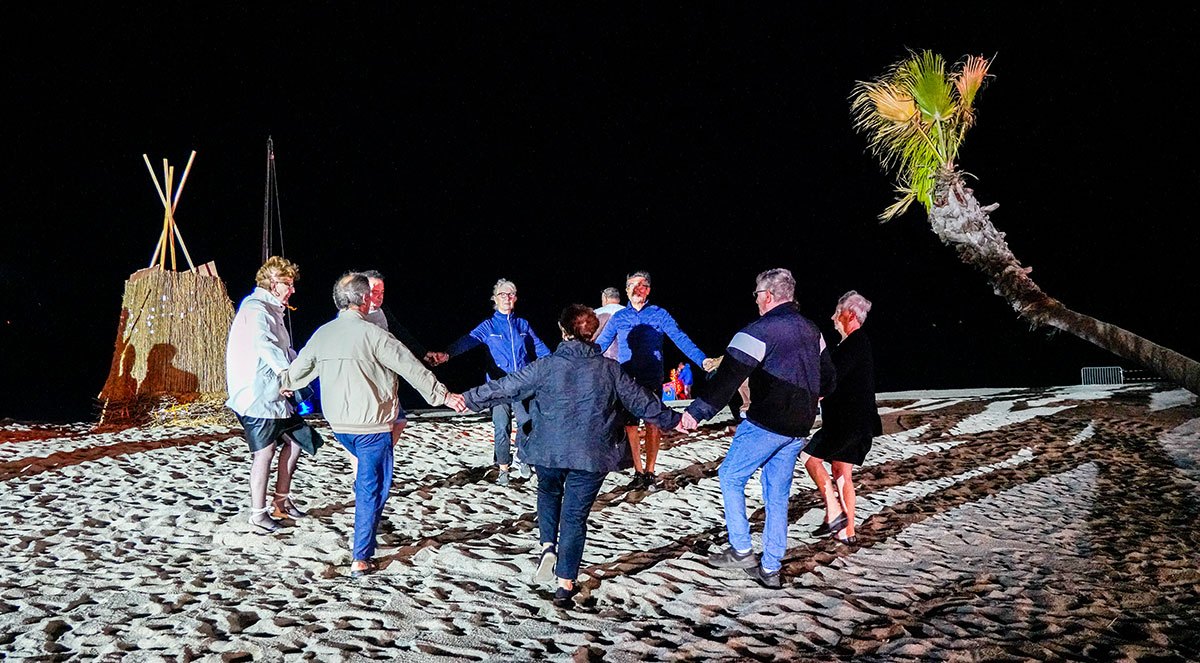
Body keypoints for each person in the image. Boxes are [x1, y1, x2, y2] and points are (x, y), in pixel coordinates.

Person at [462, 304, 684, 608]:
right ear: (593, 333)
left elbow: (506, 387)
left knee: (548, 491)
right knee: (575, 516)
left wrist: (464, 400)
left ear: (563, 330)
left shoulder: (545, 366)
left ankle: (547, 546)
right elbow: (642, 401)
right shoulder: (610, 369)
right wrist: (676, 420)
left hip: (548, 449)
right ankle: (565, 584)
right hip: (592, 453)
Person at [281, 273, 467, 577]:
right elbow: (411, 367)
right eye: (371, 295)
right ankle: (361, 557)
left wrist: (284, 383)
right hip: (371, 426)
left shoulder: (323, 334)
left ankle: (366, 532)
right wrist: (442, 396)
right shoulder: (374, 335)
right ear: (364, 299)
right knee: (373, 488)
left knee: (371, 483)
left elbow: (299, 369)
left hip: (340, 426)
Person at [680, 268, 836, 589]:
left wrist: (695, 413)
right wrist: (807, 397)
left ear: (768, 296)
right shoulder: (813, 331)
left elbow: (726, 380)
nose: (756, 300)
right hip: (800, 425)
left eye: (757, 295)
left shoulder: (757, 331)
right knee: (777, 494)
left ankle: (741, 549)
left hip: (767, 423)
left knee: (730, 476)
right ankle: (771, 568)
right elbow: (830, 379)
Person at [225, 256, 324, 533]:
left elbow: (284, 350)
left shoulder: (272, 309)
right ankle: (258, 514)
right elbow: (265, 345)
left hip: (275, 395)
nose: (292, 290)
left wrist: (305, 368)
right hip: (257, 395)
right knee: (265, 452)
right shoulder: (256, 309)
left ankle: (281, 501)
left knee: (297, 440)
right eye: (287, 284)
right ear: (272, 282)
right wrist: (287, 375)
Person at [593, 270, 717, 488]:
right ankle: (638, 471)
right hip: (627, 379)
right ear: (626, 290)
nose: (635, 289)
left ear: (648, 289)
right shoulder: (619, 317)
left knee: (653, 423)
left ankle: (650, 470)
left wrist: (702, 360)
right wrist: (578, 355)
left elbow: (680, 338)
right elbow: (601, 344)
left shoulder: (659, 314)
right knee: (631, 425)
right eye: (631, 285)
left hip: (651, 377)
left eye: (640, 285)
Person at [442, 278, 551, 486]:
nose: (507, 298)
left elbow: (540, 348)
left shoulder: (522, 324)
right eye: (503, 294)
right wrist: (448, 354)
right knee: (502, 427)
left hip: (522, 383)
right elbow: (469, 340)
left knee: (528, 422)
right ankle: (503, 469)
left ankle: (521, 456)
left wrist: (558, 363)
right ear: (495, 299)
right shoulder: (489, 325)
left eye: (511, 294)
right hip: (498, 386)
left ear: (515, 298)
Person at [802, 291, 881, 545]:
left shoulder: (855, 343)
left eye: (838, 312)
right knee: (841, 471)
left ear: (851, 315)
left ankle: (835, 512)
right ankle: (846, 529)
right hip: (855, 422)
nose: (833, 317)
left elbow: (830, 380)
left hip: (848, 423)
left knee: (809, 458)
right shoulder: (855, 343)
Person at [592, 287, 624, 360]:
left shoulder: (596, 313)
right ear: (618, 299)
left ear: (605, 298)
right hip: (624, 359)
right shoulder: (628, 313)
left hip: (601, 358)